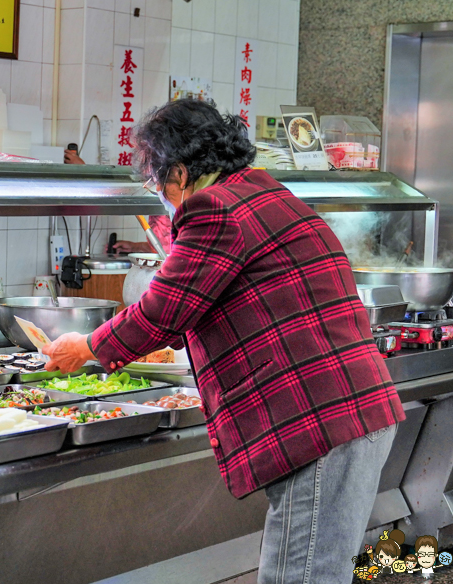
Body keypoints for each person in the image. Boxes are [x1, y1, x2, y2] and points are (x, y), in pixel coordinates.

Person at [41, 99, 404, 584]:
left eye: (155, 181)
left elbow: (163, 313)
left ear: (182, 173)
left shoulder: (217, 209)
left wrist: (85, 347)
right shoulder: (260, 192)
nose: (158, 195)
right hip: (346, 412)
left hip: (319, 421)